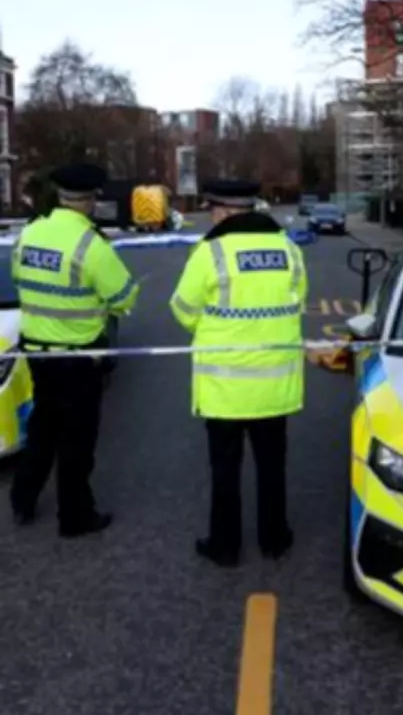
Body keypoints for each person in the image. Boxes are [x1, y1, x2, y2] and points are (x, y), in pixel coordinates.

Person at [169, 179, 308, 567]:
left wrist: (214, 328)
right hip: (275, 386)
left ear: (224, 211)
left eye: (213, 209)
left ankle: (225, 546)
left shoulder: (210, 253)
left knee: (225, 471)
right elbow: (298, 304)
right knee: (272, 467)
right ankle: (274, 539)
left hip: (225, 388)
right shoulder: (289, 249)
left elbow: (182, 309)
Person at [10, 162, 140, 536]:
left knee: (42, 427)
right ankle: (75, 517)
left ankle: (23, 500)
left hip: (36, 351)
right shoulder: (91, 245)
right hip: (78, 357)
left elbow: (19, 277)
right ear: (90, 200)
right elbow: (124, 297)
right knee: (77, 440)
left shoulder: (31, 232)